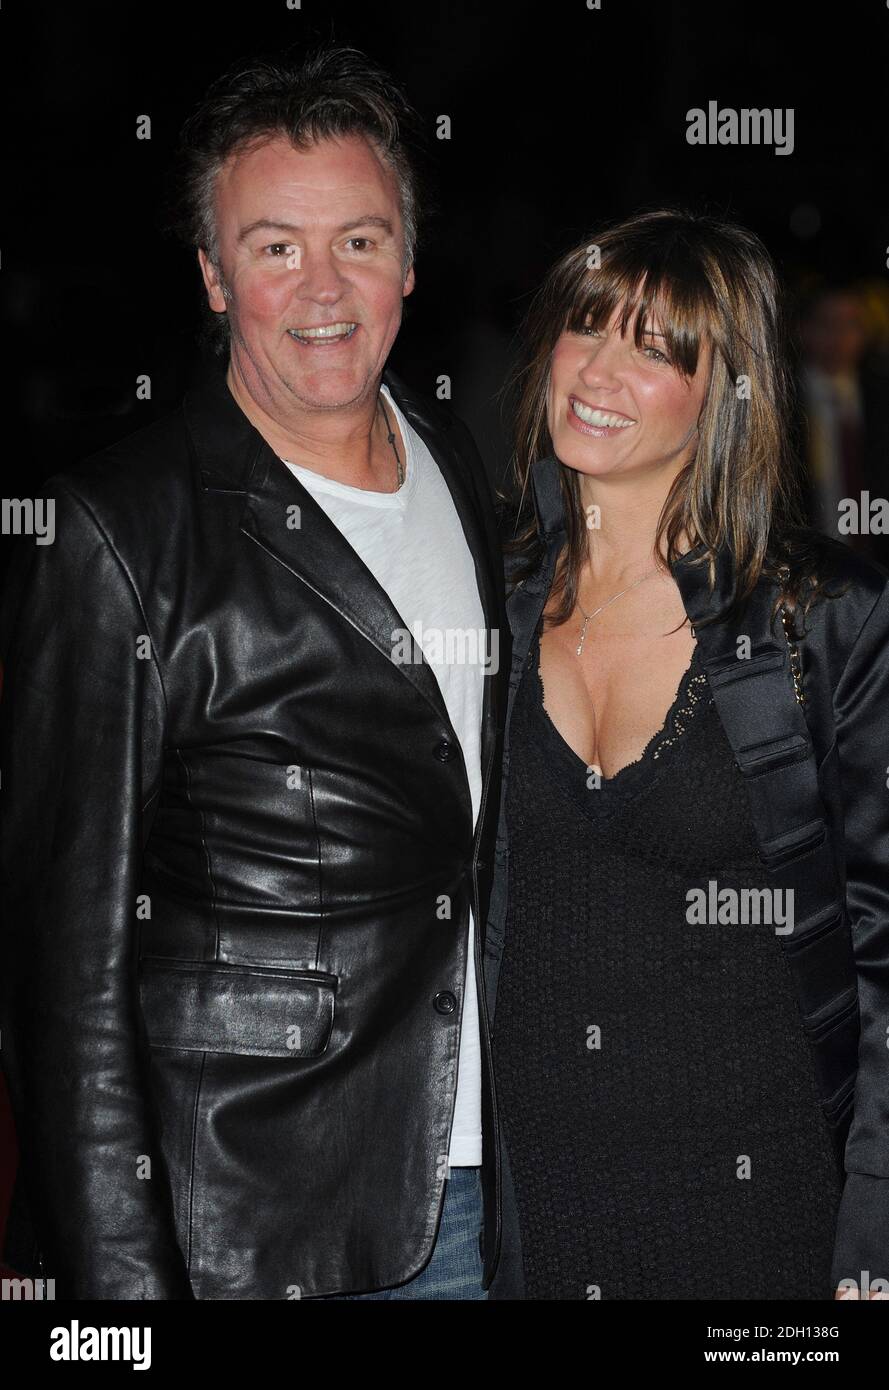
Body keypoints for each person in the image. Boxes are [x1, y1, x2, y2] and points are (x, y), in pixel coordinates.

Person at [0, 45, 510, 1300]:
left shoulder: (461, 463)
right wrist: (125, 1300)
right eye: (274, 247)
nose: (321, 289)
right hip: (257, 1224)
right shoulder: (120, 530)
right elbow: (61, 984)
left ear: (408, 260)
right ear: (214, 275)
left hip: (507, 1186)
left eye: (360, 240)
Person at [483, 208, 889, 1300]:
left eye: (655, 348)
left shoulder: (826, 617)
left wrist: (875, 1223)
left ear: (725, 393)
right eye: (585, 325)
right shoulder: (487, 604)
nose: (598, 368)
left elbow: (882, 942)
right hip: (536, 1217)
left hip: (762, 1219)